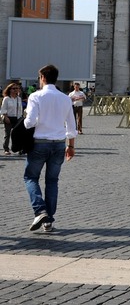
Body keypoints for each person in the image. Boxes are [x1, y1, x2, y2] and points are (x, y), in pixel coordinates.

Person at [22, 64, 77, 233]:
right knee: (52, 182)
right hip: (59, 144)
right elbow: (71, 126)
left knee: (31, 177)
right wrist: (71, 146)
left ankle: (40, 211)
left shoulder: (35, 96)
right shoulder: (65, 98)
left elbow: (29, 122)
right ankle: (48, 222)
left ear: (43, 78)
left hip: (39, 143)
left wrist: (26, 119)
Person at [1, 82, 23, 155]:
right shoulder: (6, 99)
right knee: (7, 134)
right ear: (10, 90)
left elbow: (20, 109)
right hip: (9, 118)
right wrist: (6, 117)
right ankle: (6, 149)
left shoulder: (19, 99)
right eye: (14, 88)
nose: (16, 90)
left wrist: (21, 118)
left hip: (17, 118)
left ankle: (19, 148)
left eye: (17, 88)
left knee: (18, 134)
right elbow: (3, 109)